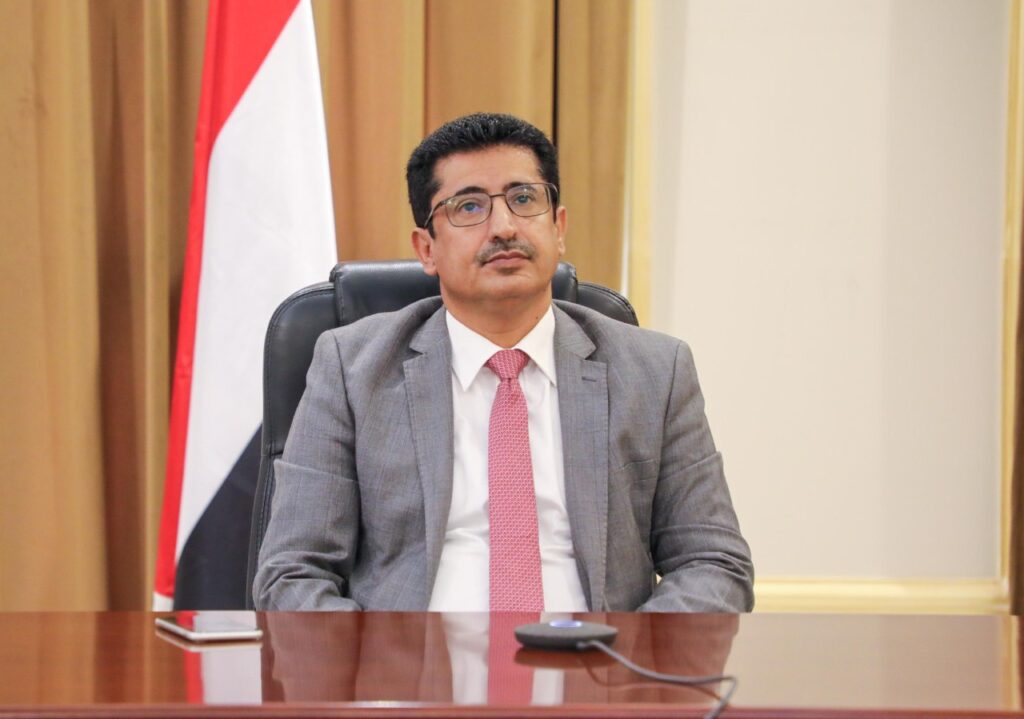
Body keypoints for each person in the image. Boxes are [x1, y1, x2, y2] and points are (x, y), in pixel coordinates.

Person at [253, 113, 753, 612]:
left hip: (596, 654)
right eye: (469, 206)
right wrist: (381, 655)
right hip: (413, 657)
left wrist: (626, 655)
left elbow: (713, 564)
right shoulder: (352, 369)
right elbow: (292, 574)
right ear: (427, 249)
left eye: (524, 199)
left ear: (558, 228)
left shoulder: (656, 371)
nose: (505, 227)